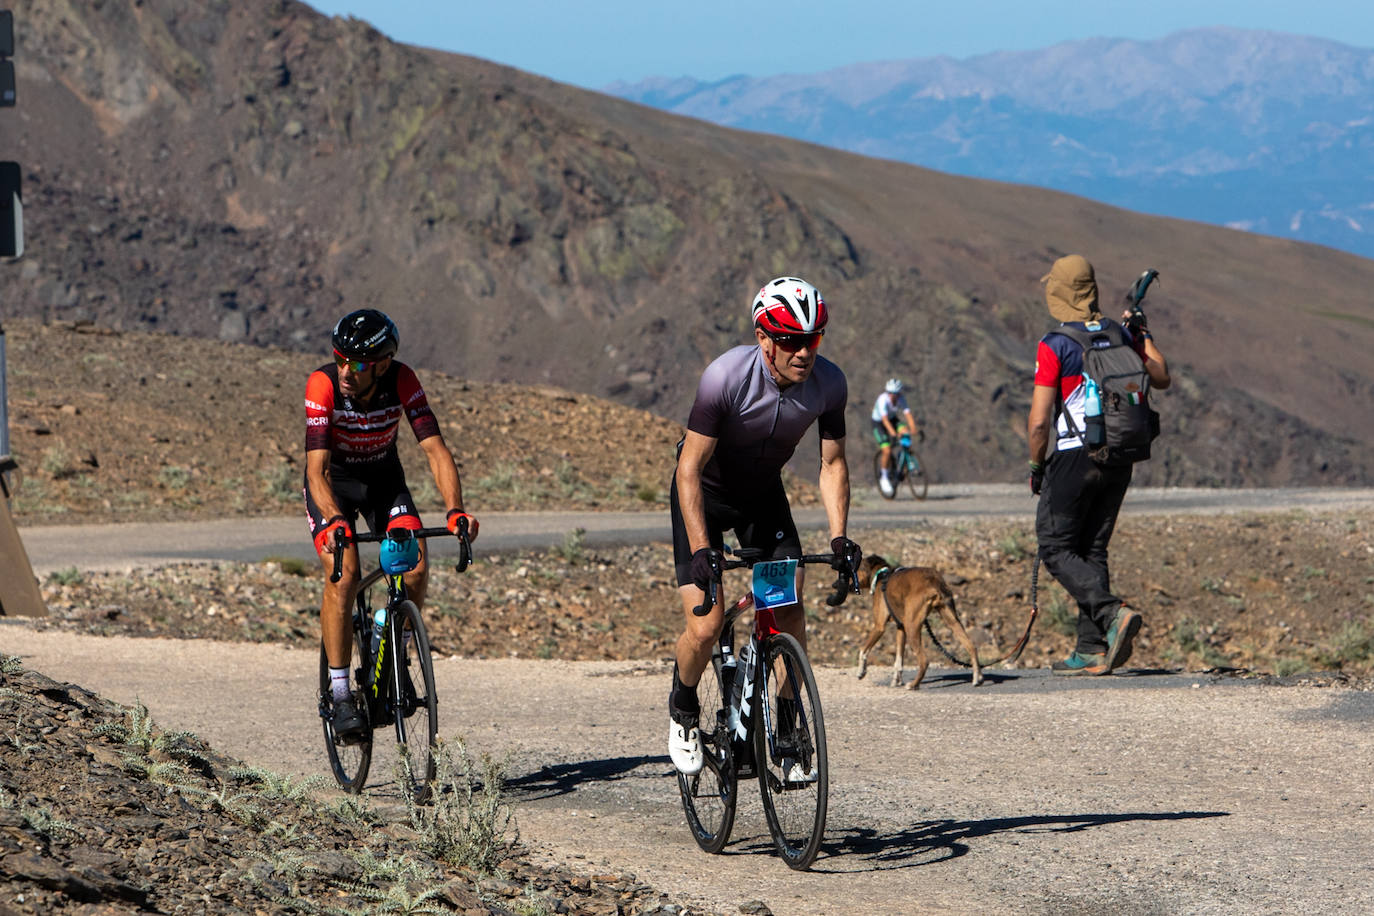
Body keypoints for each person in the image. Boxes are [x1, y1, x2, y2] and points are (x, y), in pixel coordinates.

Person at [668, 276, 861, 775]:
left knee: (787, 607)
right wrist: (700, 548)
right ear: (764, 338)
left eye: (812, 339)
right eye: (791, 340)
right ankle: (683, 706)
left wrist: (838, 537)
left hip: (760, 498)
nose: (803, 352)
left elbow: (833, 463)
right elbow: (688, 468)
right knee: (706, 623)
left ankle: (790, 725)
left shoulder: (830, 384)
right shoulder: (725, 378)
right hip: (703, 497)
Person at [304, 309, 479, 739]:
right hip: (335, 484)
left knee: (415, 566)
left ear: (382, 364)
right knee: (343, 576)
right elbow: (316, 471)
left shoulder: (402, 380)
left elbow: (435, 450)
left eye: (358, 364)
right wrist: (332, 522)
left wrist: (455, 509)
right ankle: (341, 692)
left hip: (384, 480)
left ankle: (393, 644)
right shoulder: (323, 385)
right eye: (340, 358)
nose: (346, 370)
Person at [1026, 255, 1170, 675]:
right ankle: (1091, 648)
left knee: (1054, 547)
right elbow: (1161, 376)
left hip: (1075, 456)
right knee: (1092, 548)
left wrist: (1037, 465)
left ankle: (1112, 614)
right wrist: (1141, 335)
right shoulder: (1120, 332)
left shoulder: (1055, 344)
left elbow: (1039, 421)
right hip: (1120, 457)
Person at [871, 377, 919, 496]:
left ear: (899, 393)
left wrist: (913, 428)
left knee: (905, 431)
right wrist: (892, 433)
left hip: (892, 420)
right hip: (879, 423)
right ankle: (884, 477)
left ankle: (906, 457)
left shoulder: (901, 399)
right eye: (890, 393)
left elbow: (907, 414)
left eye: (895, 394)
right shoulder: (883, 400)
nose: (893, 396)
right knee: (886, 450)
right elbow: (885, 420)